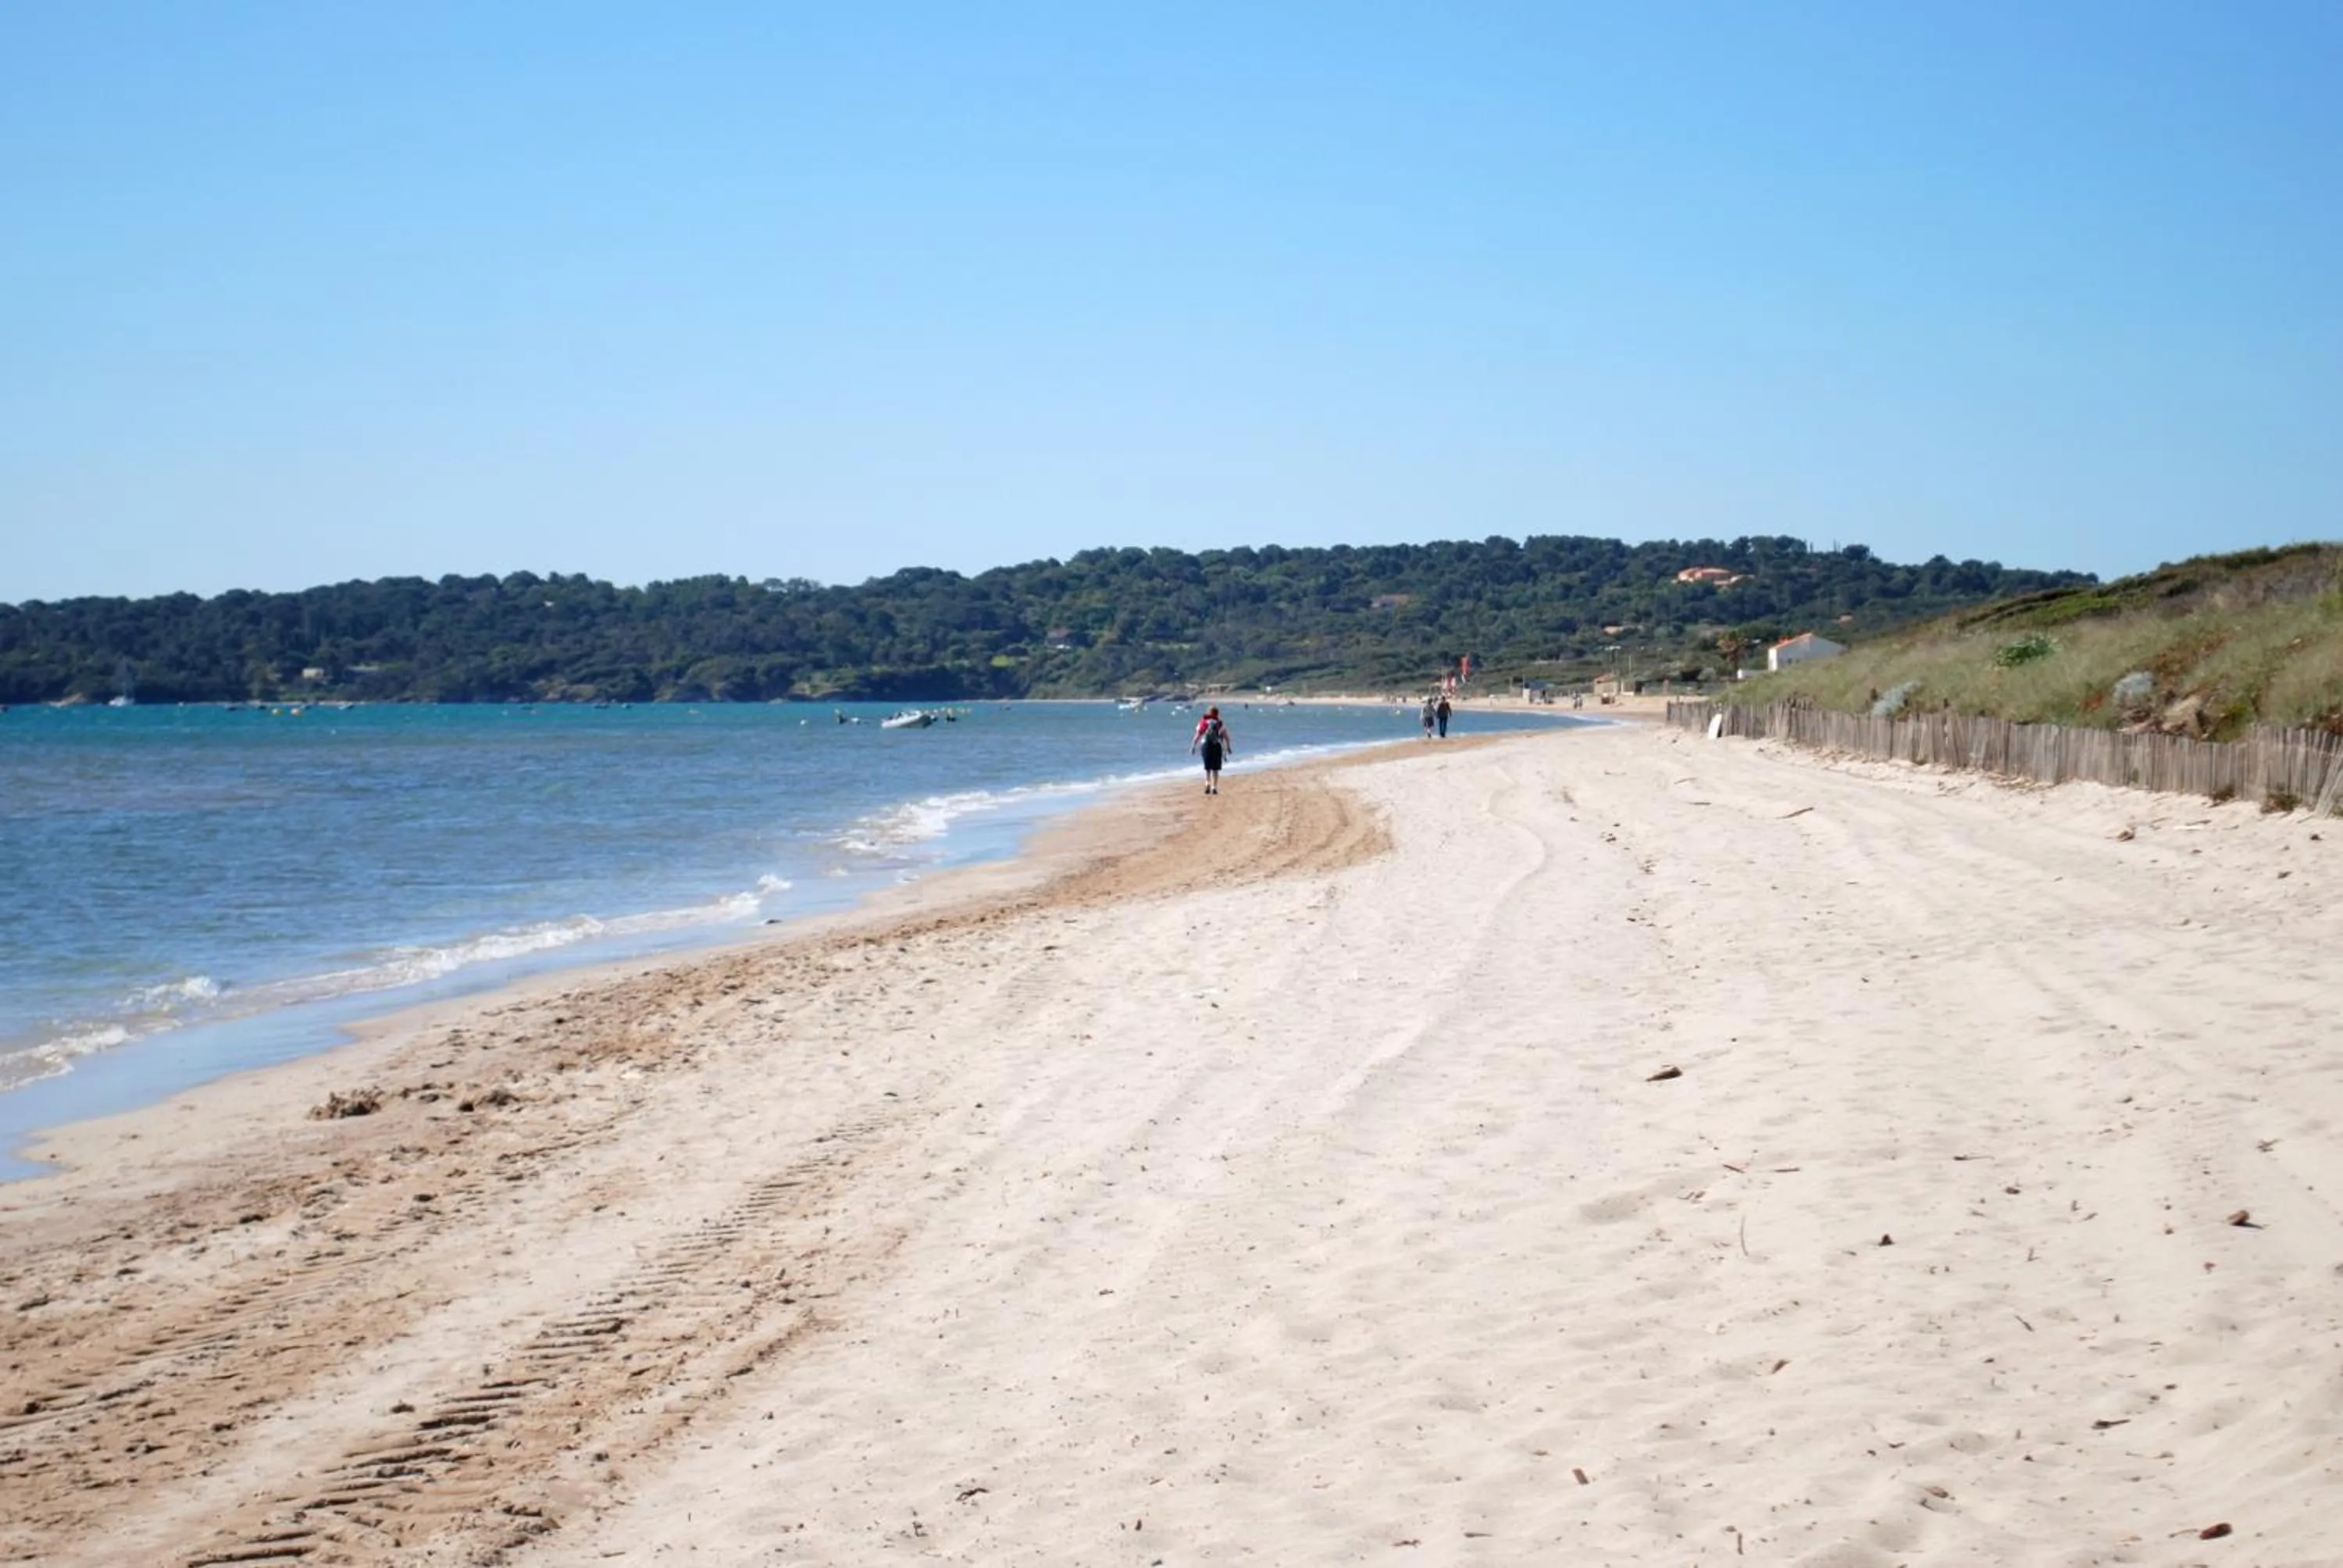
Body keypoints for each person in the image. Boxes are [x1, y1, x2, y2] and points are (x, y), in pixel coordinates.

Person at [1190, 706, 1232, 794]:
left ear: (1208, 713)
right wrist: (1228, 747)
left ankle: (1207, 783)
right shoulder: (1220, 723)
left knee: (1207, 767)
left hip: (1206, 746)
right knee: (1215, 769)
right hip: (1217, 746)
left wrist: (1193, 746)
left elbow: (1197, 736)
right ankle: (1214, 787)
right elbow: (1227, 738)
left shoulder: (1203, 722)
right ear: (1217, 713)